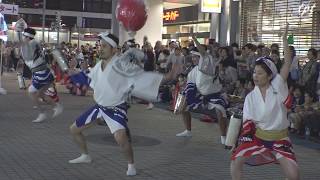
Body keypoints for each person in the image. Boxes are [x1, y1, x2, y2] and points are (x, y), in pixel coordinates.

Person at [68, 32, 177, 176]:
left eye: (105, 46)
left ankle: (131, 165)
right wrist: (74, 74)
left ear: (114, 50)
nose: (100, 48)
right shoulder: (99, 64)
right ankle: (85, 156)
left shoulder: (122, 65)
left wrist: (168, 77)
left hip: (116, 108)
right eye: (100, 46)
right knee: (74, 130)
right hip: (100, 107)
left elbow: (142, 77)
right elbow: (89, 78)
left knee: (121, 140)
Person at [230, 24, 300, 180]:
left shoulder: (278, 86)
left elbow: (287, 62)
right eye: (254, 72)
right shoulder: (250, 97)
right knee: (235, 161)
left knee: (294, 176)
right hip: (258, 138)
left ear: (270, 76)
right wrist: (243, 137)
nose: (255, 76)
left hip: (280, 139)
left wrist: (285, 39)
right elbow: (248, 122)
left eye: (260, 73)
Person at [175, 35, 228, 145]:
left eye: (196, 57)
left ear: (202, 59)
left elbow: (204, 53)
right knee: (185, 107)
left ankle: (224, 136)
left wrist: (194, 39)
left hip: (214, 96)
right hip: (201, 96)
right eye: (193, 57)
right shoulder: (194, 71)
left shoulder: (208, 65)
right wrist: (183, 101)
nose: (194, 59)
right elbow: (190, 86)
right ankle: (188, 131)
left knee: (220, 111)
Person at [19, 27, 63, 122]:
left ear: (27, 37)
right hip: (44, 73)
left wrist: (23, 45)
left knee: (31, 92)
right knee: (40, 94)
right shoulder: (33, 43)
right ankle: (56, 106)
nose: (22, 37)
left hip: (41, 74)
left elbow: (28, 57)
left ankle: (42, 112)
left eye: (24, 36)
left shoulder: (31, 44)